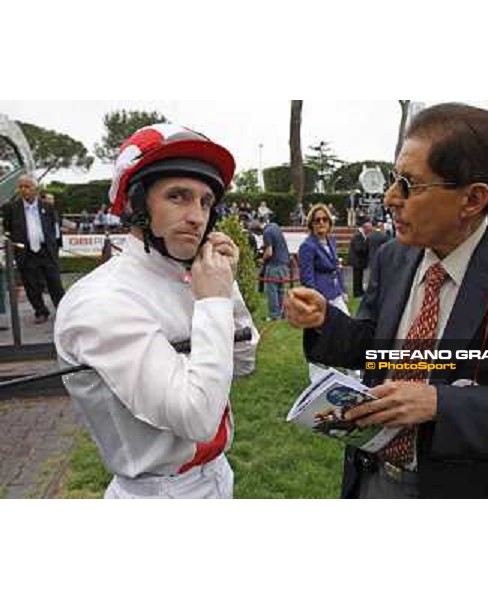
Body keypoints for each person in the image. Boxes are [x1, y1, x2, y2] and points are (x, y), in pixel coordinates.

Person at [285, 102, 488, 499]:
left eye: (409, 184)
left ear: (472, 199)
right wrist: (325, 320)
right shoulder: (393, 256)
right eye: (394, 180)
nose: (392, 197)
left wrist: (441, 404)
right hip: (371, 477)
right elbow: (373, 347)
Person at [54, 124, 259, 499]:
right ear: (135, 206)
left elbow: (244, 362)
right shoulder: (99, 302)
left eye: (206, 201)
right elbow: (197, 417)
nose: (198, 216)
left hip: (216, 474)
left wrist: (225, 286)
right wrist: (213, 301)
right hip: (159, 492)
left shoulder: (191, 275)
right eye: (178, 197)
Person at [1, 174, 65, 324]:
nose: (24, 190)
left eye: (27, 186)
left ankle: (62, 310)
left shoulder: (47, 207)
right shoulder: (11, 208)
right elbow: (8, 229)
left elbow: (54, 229)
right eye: (21, 186)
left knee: (54, 282)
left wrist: (54, 248)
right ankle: (40, 312)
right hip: (26, 253)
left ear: (35, 189)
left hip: (46, 251)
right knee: (31, 285)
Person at [298, 204, 348, 381]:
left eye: (324, 219)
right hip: (320, 298)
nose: (321, 223)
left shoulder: (331, 240)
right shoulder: (307, 246)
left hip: (335, 294)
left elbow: (337, 267)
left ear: (329, 222)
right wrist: (315, 301)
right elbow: (307, 277)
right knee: (317, 337)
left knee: (346, 331)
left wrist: (343, 290)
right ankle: (318, 379)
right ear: (311, 223)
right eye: (317, 220)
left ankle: (354, 372)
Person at [260, 218, 290, 321]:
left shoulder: (266, 232)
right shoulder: (276, 226)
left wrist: (262, 260)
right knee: (281, 290)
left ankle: (274, 315)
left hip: (274, 265)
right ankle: (283, 314)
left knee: (272, 290)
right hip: (284, 263)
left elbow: (269, 252)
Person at [347, 219, 372, 298]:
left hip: (359, 260)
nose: (369, 232)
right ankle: (357, 292)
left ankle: (360, 290)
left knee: (360, 276)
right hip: (357, 260)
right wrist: (366, 247)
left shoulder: (361, 235)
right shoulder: (358, 235)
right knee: (357, 277)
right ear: (365, 228)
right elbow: (358, 248)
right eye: (369, 230)